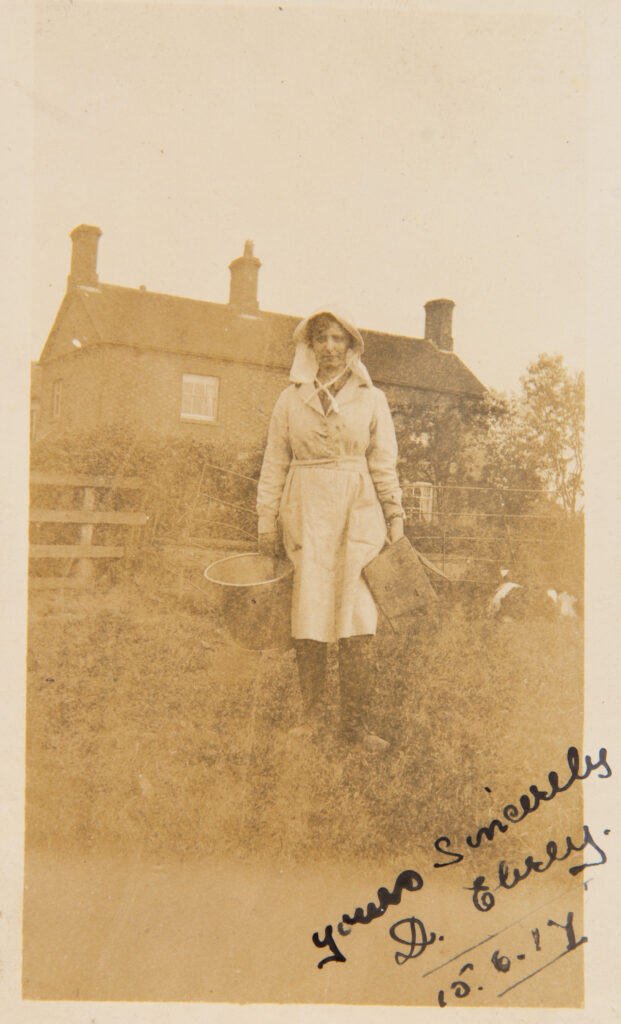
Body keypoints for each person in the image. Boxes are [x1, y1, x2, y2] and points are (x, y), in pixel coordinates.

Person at [256, 307, 405, 752]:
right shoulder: (290, 399)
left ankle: (355, 729)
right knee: (310, 611)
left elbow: (383, 462)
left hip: (357, 512)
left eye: (339, 340)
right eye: (321, 339)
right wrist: (266, 519)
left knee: (356, 614)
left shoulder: (371, 398)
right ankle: (312, 721)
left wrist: (395, 516)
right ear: (310, 346)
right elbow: (274, 462)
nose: (330, 348)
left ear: (352, 347)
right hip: (305, 509)